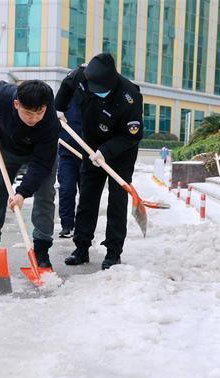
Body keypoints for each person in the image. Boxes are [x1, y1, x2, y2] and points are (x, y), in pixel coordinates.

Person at [54, 52, 143, 270]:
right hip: (90, 144)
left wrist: (106, 151)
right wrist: (59, 108)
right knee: (87, 196)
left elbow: (133, 135)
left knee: (117, 201)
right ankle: (82, 247)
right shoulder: (81, 76)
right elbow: (66, 85)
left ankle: (113, 252)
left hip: (121, 151)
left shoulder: (130, 96)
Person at [0, 80, 59, 268]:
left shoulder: (50, 123)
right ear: (16, 104)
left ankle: (41, 249)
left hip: (40, 155)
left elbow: (42, 164)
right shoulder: (1, 94)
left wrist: (22, 192)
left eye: (39, 112)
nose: (34, 118)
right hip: (6, 149)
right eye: (28, 113)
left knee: (45, 196)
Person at [56, 97, 83, 239]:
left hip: (88, 156)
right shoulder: (64, 100)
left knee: (86, 194)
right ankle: (67, 226)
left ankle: (82, 227)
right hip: (67, 154)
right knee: (66, 190)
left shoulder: (93, 99)